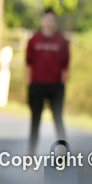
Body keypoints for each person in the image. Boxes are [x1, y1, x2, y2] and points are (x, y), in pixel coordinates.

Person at [25, 10, 69, 154]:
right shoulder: (34, 40)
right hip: (37, 85)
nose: (48, 23)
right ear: (41, 21)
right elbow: (28, 64)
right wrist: (29, 84)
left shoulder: (61, 41)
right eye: (46, 20)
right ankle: (31, 153)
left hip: (55, 86)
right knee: (35, 120)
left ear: (54, 22)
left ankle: (62, 153)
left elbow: (65, 65)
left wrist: (62, 84)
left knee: (58, 119)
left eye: (51, 20)